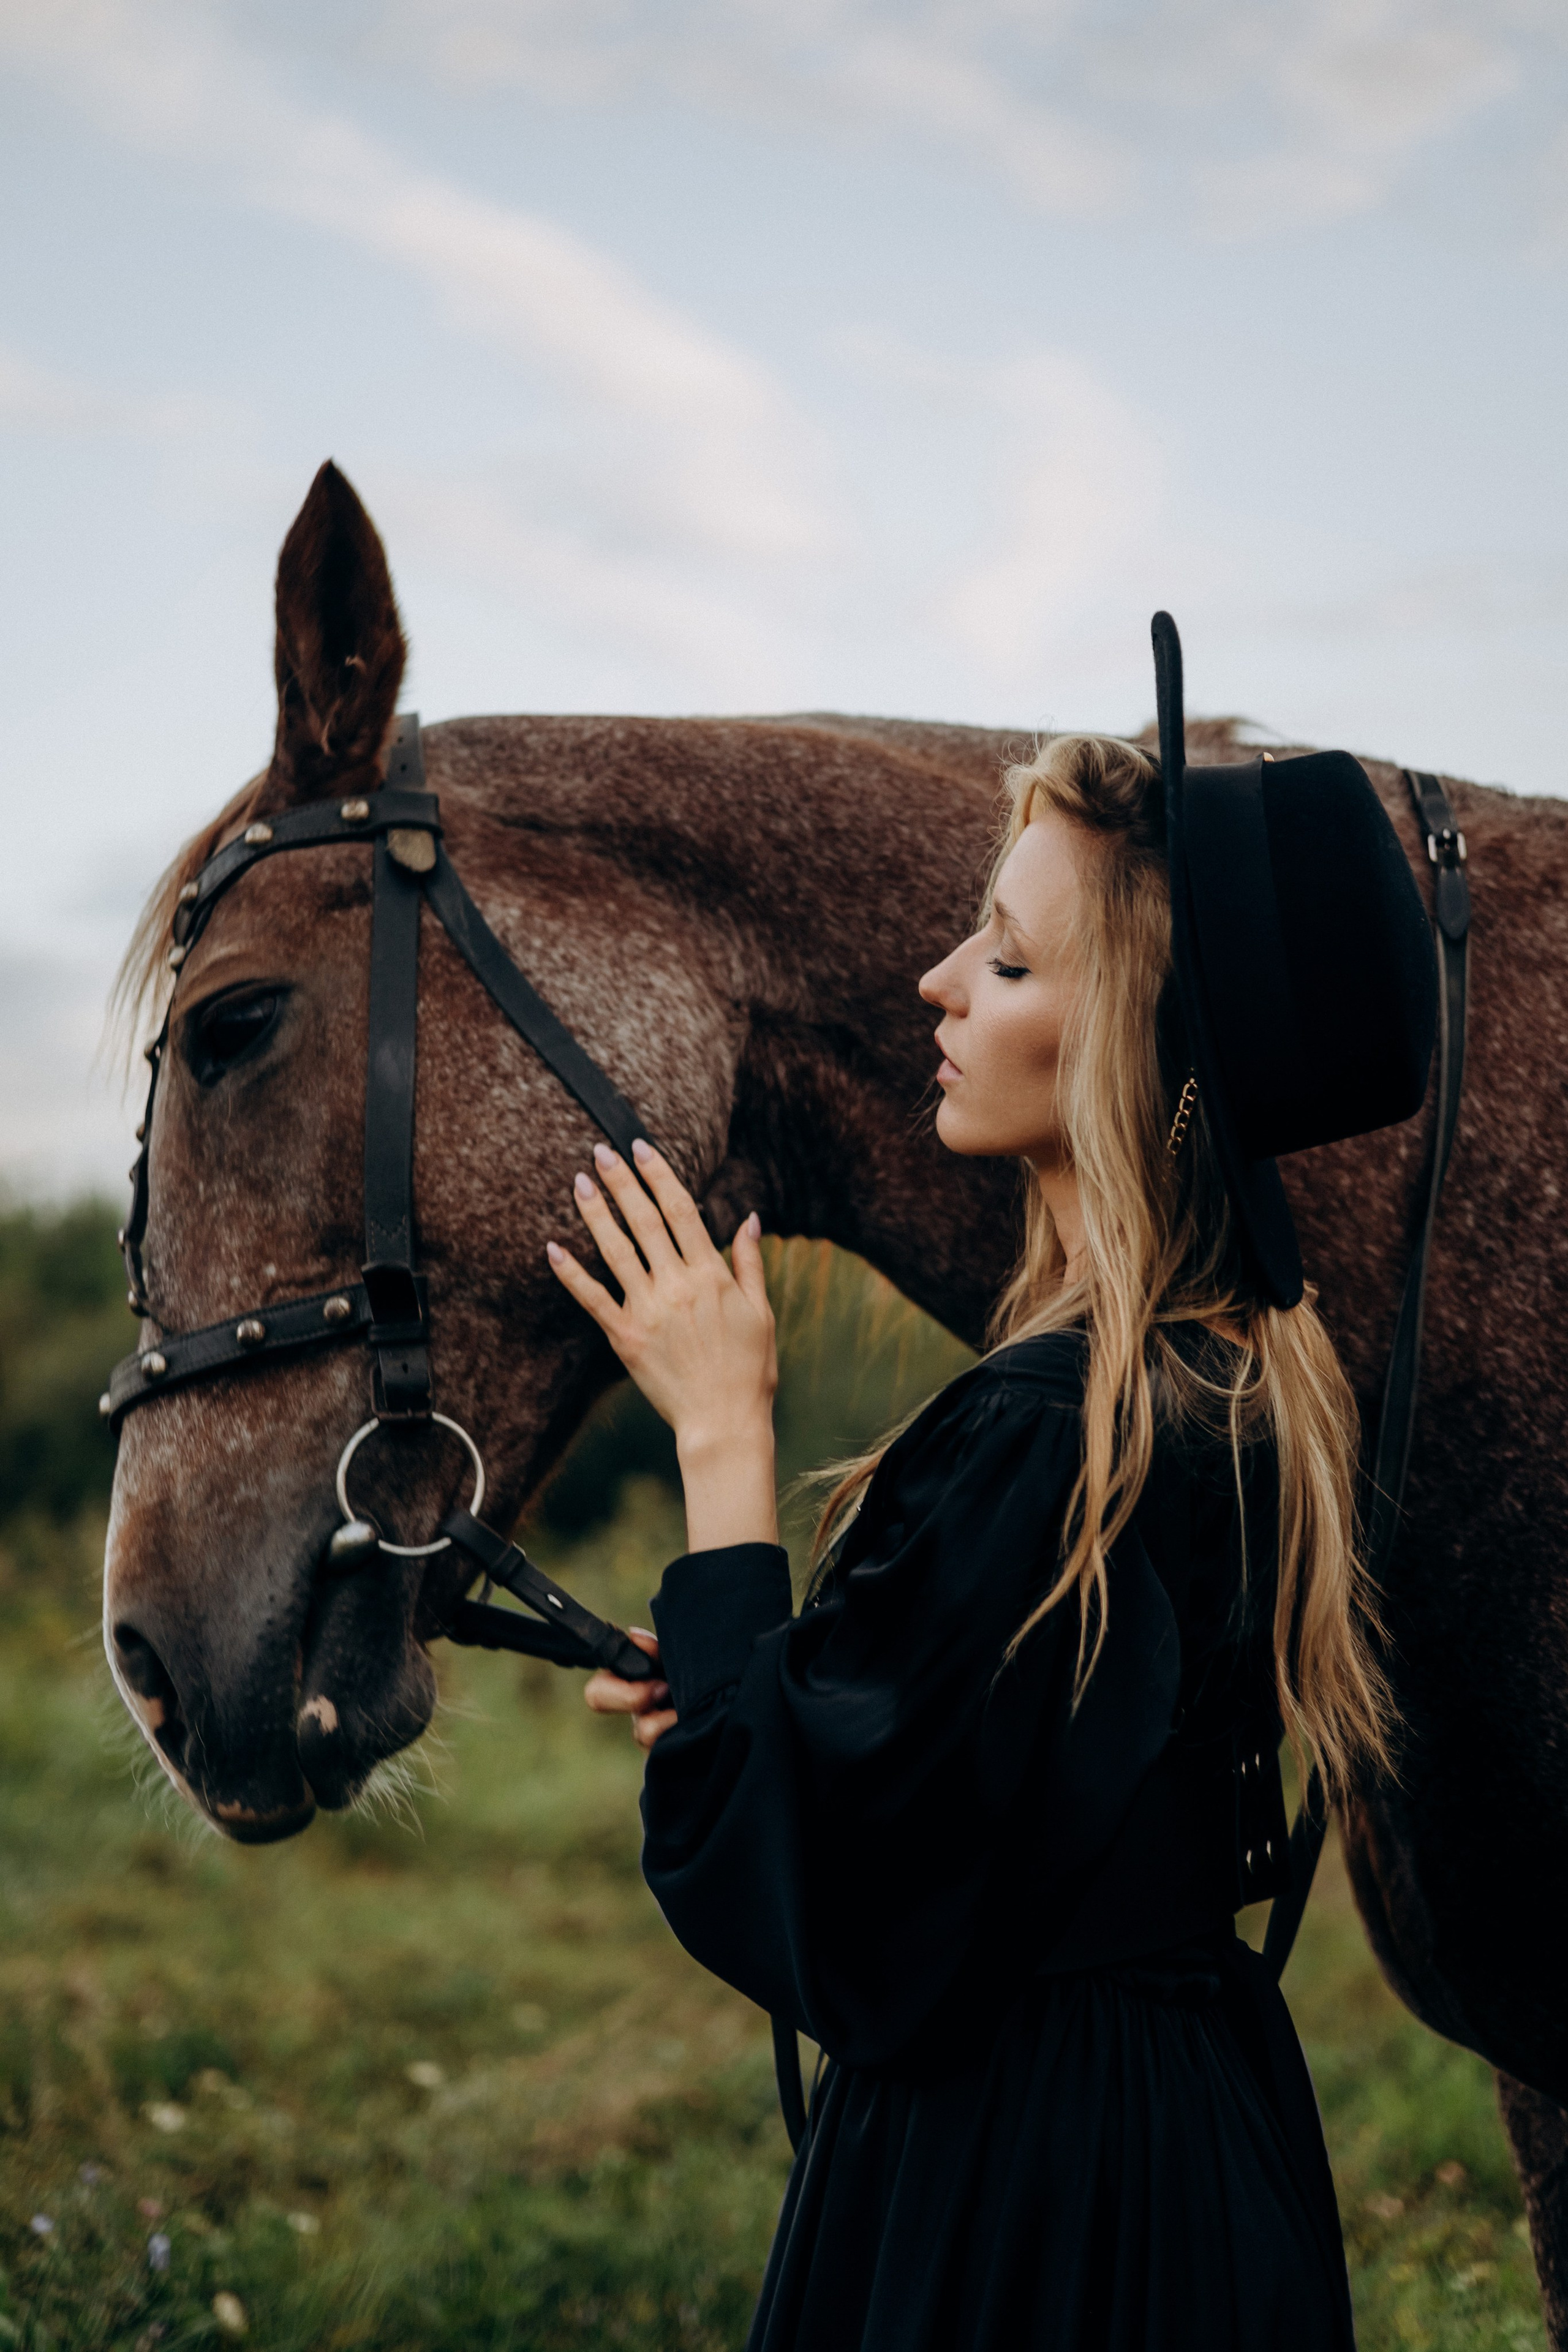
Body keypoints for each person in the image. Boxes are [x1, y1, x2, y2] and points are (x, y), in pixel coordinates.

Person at [545, 616, 1437, 2351]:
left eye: (1012, 962)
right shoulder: (1247, 1384)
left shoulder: (1053, 1433)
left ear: (1140, 1047)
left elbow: (844, 1921)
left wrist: (721, 1434)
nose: (940, 986)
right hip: (1204, 2142)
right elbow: (1016, 1783)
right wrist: (756, 1696)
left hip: (1022, 2192)